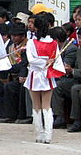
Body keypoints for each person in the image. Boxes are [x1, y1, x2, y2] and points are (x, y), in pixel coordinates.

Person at [24, 14, 66, 144]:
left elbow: (31, 60)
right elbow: (57, 62)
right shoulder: (53, 43)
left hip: (36, 75)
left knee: (37, 106)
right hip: (46, 74)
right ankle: (47, 135)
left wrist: (45, 62)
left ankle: (41, 134)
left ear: (36, 28)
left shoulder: (32, 42)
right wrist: (49, 62)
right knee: (46, 106)